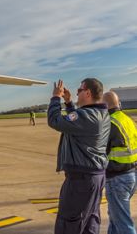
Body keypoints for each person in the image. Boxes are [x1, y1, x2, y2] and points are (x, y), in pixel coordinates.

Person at [47, 79, 109, 234]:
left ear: (87, 93)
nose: (76, 93)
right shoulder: (100, 114)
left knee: (69, 224)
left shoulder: (87, 116)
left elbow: (55, 121)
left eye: (79, 90)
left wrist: (55, 98)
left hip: (81, 181)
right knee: (89, 222)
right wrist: (68, 103)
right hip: (94, 177)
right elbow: (75, 123)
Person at [103, 90, 137, 234]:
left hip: (117, 179)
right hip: (131, 175)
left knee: (123, 224)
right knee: (115, 220)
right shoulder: (126, 119)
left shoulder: (110, 123)